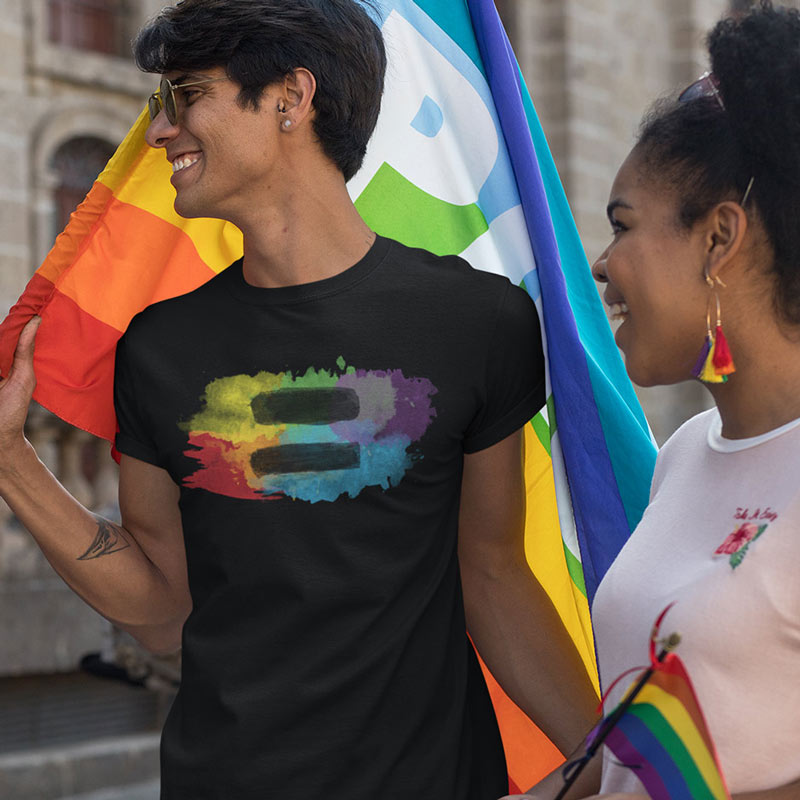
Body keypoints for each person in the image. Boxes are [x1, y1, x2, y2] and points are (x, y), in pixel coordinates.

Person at [0, 1, 598, 798]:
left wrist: (616, 760)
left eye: (186, 94)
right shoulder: (158, 348)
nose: (160, 131)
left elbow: (492, 576)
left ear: (290, 97)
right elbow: (164, 604)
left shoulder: (478, 323)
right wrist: (11, 464)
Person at [506, 4, 800, 800]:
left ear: (719, 237)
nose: (603, 265)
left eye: (623, 225)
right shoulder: (681, 458)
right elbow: (624, 758)